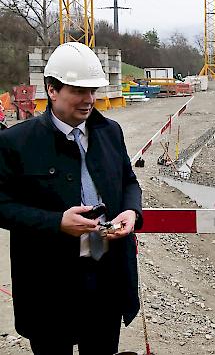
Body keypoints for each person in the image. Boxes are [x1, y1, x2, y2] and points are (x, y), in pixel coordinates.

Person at [0, 42, 143, 355]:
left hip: (105, 274)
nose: (88, 99)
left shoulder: (110, 132)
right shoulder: (16, 143)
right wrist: (56, 223)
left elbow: (129, 181)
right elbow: (2, 206)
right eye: (78, 90)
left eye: (92, 91)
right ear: (52, 90)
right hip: (49, 285)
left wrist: (131, 212)